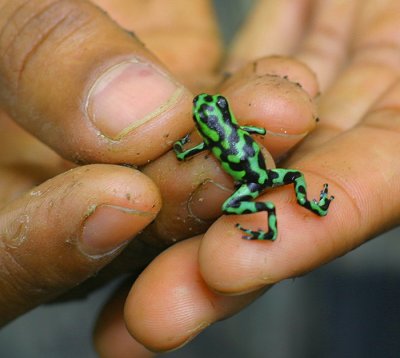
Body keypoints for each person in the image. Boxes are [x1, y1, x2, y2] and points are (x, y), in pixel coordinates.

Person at [0, 0, 399, 356]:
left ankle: (276, 221)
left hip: (254, 177)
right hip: (260, 173)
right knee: (281, 181)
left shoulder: (209, 142)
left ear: (218, 120)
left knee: (242, 199)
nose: (210, 110)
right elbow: (238, 137)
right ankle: (280, 218)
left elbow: (212, 144)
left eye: (213, 110)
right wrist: (196, 147)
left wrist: (181, 149)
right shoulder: (224, 137)